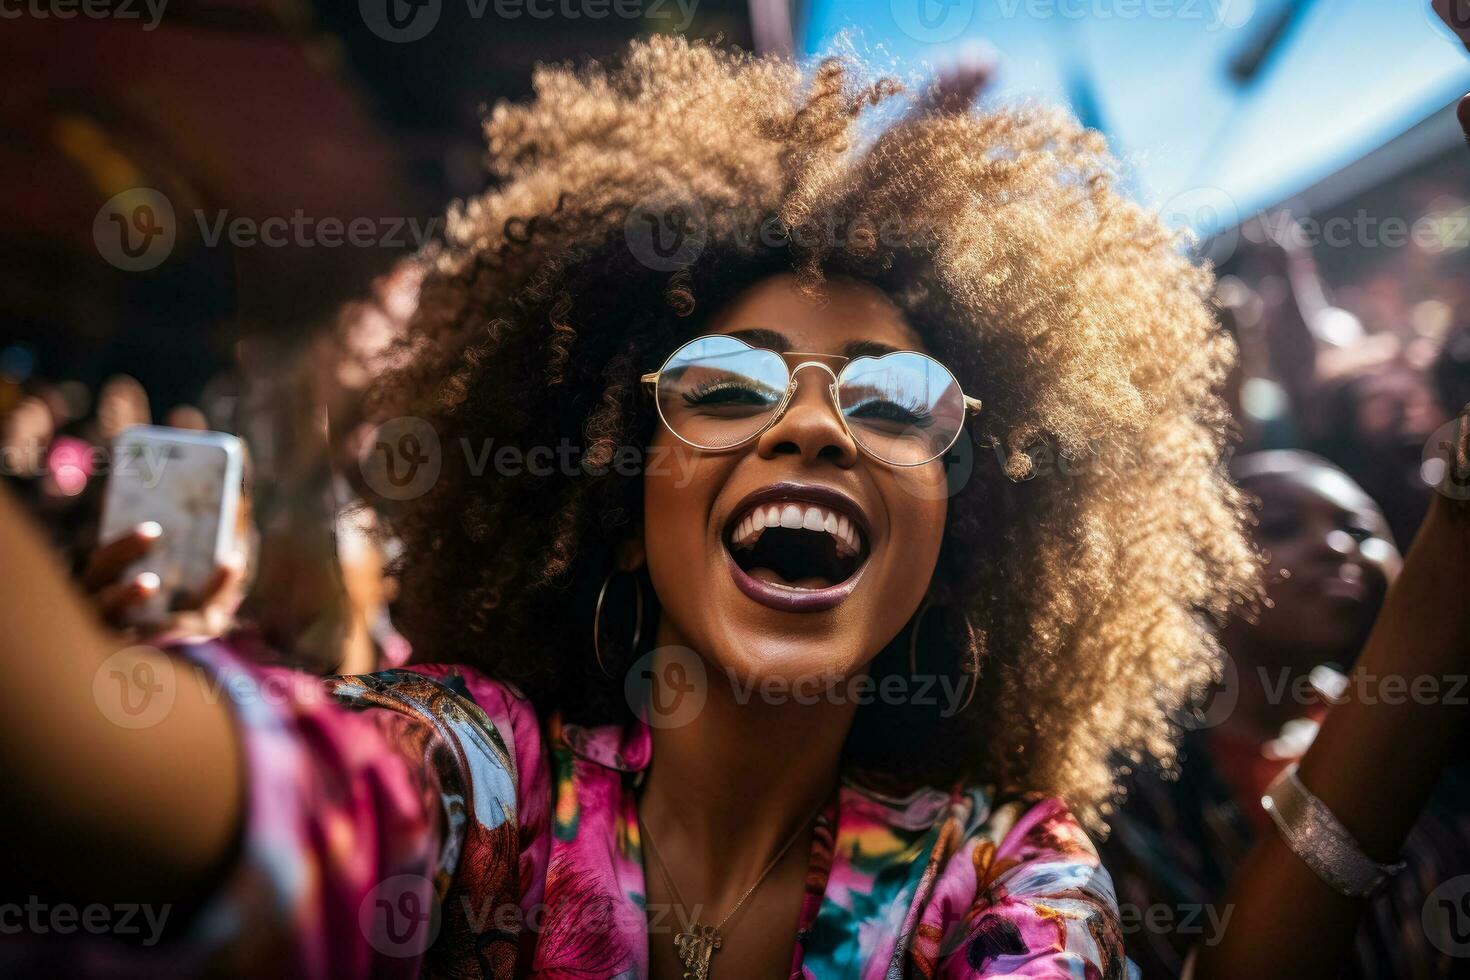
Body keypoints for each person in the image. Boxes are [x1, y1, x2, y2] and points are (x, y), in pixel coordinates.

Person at [0, 37, 1465, 979]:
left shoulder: (1000, 871)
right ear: (622, 472)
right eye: (721, 383)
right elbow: (159, 799)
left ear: (964, 527)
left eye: (892, 404)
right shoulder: (477, 777)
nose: (816, 422)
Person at [1105, 452, 1470, 978]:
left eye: (1362, 530)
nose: (1336, 546)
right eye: (1280, 528)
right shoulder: (1137, 773)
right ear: (1197, 569)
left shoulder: (1439, 732)